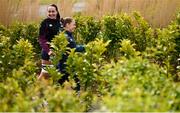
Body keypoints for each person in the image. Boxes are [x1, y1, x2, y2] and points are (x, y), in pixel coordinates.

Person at [57, 17, 85, 91]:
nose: (75, 26)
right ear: (67, 25)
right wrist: (86, 47)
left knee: (62, 84)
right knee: (75, 83)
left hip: (67, 64)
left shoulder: (68, 34)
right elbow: (74, 48)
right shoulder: (66, 36)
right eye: (74, 24)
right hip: (65, 66)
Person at [38, 4, 62, 80]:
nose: (51, 13)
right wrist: (48, 51)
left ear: (57, 12)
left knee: (54, 75)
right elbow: (41, 39)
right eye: (49, 11)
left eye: (53, 11)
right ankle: (33, 90)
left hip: (58, 52)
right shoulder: (45, 23)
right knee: (45, 75)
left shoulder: (60, 23)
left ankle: (49, 91)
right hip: (48, 52)